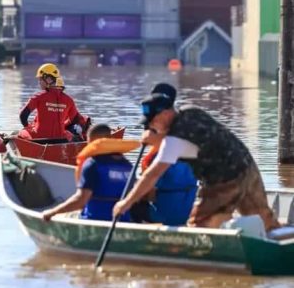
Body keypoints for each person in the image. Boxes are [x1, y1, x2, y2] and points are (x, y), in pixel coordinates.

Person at [112, 90, 280, 231]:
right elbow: (191, 136)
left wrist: (126, 203)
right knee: (263, 218)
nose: (151, 126)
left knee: (199, 225)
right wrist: (159, 137)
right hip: (246, 165)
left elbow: (152, 175)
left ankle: (213, 254)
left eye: (152, 121)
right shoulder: (191, 111)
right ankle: (282, 244)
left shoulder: (172, 143)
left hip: (225, 180)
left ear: (165, 114)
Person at [131, 82, 198, 226]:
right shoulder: (188, 150)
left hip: (164, 215)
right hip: (186, 210)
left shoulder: (158, 158)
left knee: (130, 202)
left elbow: (149, 192)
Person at [42, 124, 134, 222]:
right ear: (111, 139)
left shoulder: (93, 164)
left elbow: (81, 200)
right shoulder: (127, 165)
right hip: (122, 220)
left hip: (94, 219)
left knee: (64, 215)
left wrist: (52, 212)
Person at [18, 64, 85, 141]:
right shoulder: (69, 100)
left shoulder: (38, 97)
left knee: (21, 132)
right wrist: (63, 125)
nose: (39, 82)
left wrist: (28, 127)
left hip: (39, 138)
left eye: (40, 79)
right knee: (69, 134)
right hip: (61, 138)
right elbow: (73, 119)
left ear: (49, 79)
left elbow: (22, 116)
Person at [56, 76, 91, 141]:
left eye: (59, 89)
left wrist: (61, 126)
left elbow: (71, 118)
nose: (57, 91)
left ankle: (81, 142)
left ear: (62, 89)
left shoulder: (68, 100)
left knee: (77, 129)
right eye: (55, 89)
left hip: (72, 126)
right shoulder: (47, 100)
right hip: (59, 128)